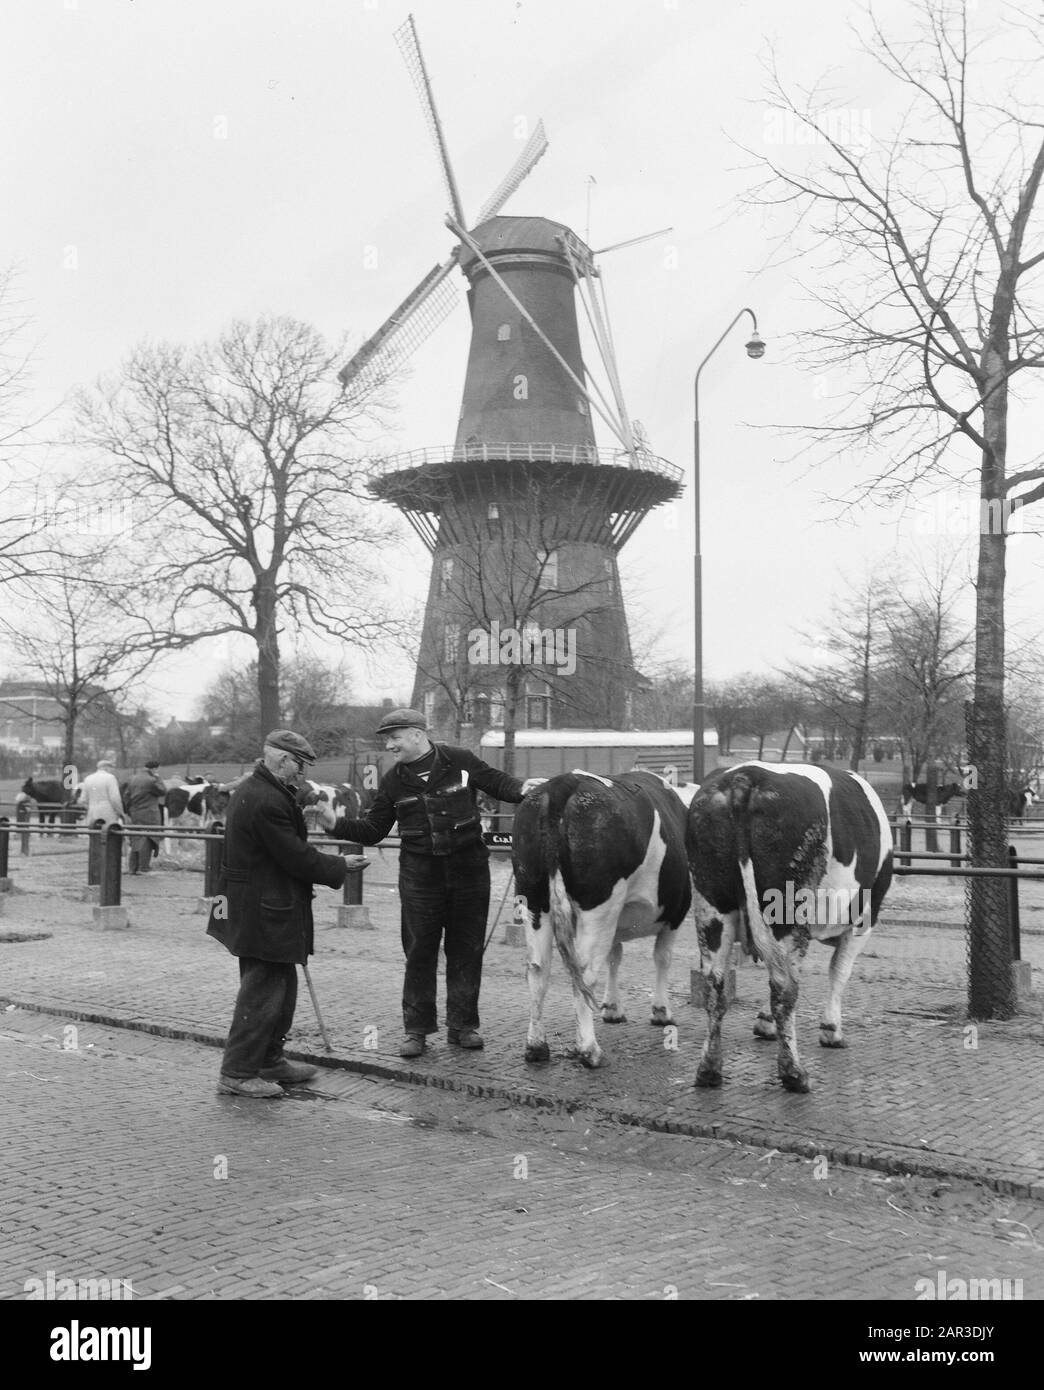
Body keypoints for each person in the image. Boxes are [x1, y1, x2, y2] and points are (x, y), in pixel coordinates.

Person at [317, 708, 543, 1059]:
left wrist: (523, 788)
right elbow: (372, 830)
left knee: (466, 950)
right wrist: (335, 823)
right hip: (420, 878)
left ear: (418, 734)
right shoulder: (393, 780)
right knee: (419, 952)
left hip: (469, 872)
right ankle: (417, 1031)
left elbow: (498, 782)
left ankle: (463, 1026)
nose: (389, 745)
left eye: (395, 737)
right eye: (386, 739)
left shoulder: (460, 760)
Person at [206, 729, 369, 1099]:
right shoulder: (266, 800)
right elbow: (294, 855)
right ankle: (236, 1072)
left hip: (260, 907)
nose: (302, 774)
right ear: (282, 760)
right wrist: (338, 864)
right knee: (262, 993)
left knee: (280, 988)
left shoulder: (264, 792)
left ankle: (269, 1060)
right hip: (263, 911)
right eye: (300, 765)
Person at [124, 760, 167, 874]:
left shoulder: (132, 778)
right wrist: (158, 778)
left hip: (135, 812)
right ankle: (144, 867)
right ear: (154, 769)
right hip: (149, 813)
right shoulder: (152, 780)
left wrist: (130, 810)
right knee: (148, 838)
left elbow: (126, 796)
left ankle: (132, 867)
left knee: (136, 838)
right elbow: (163, 791)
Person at [79, 758, 125, 827]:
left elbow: (82, 800)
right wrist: (121, 812)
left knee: (94, 835)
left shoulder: (87, 779)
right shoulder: (110, 778)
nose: (112, 771)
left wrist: (89, 807)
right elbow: (115, 798)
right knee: (109, 835)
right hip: (108, 812)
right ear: (107, 768)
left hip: (92, 812)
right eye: (111, 768)